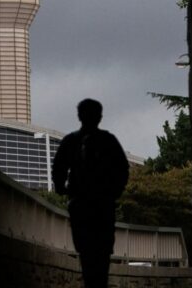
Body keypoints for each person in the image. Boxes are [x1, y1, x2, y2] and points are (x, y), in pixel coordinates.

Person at [51, 98, 130, 288]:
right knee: (100, 253)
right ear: (100, 117)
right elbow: (123, 169)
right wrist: (113, 192)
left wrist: (63, 189)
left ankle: (92, 282)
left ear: (79, 116)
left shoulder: (71, 141)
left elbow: (58, 169)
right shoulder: (108, 141)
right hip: (101, 206)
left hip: (83, 205)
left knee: (87, 252)